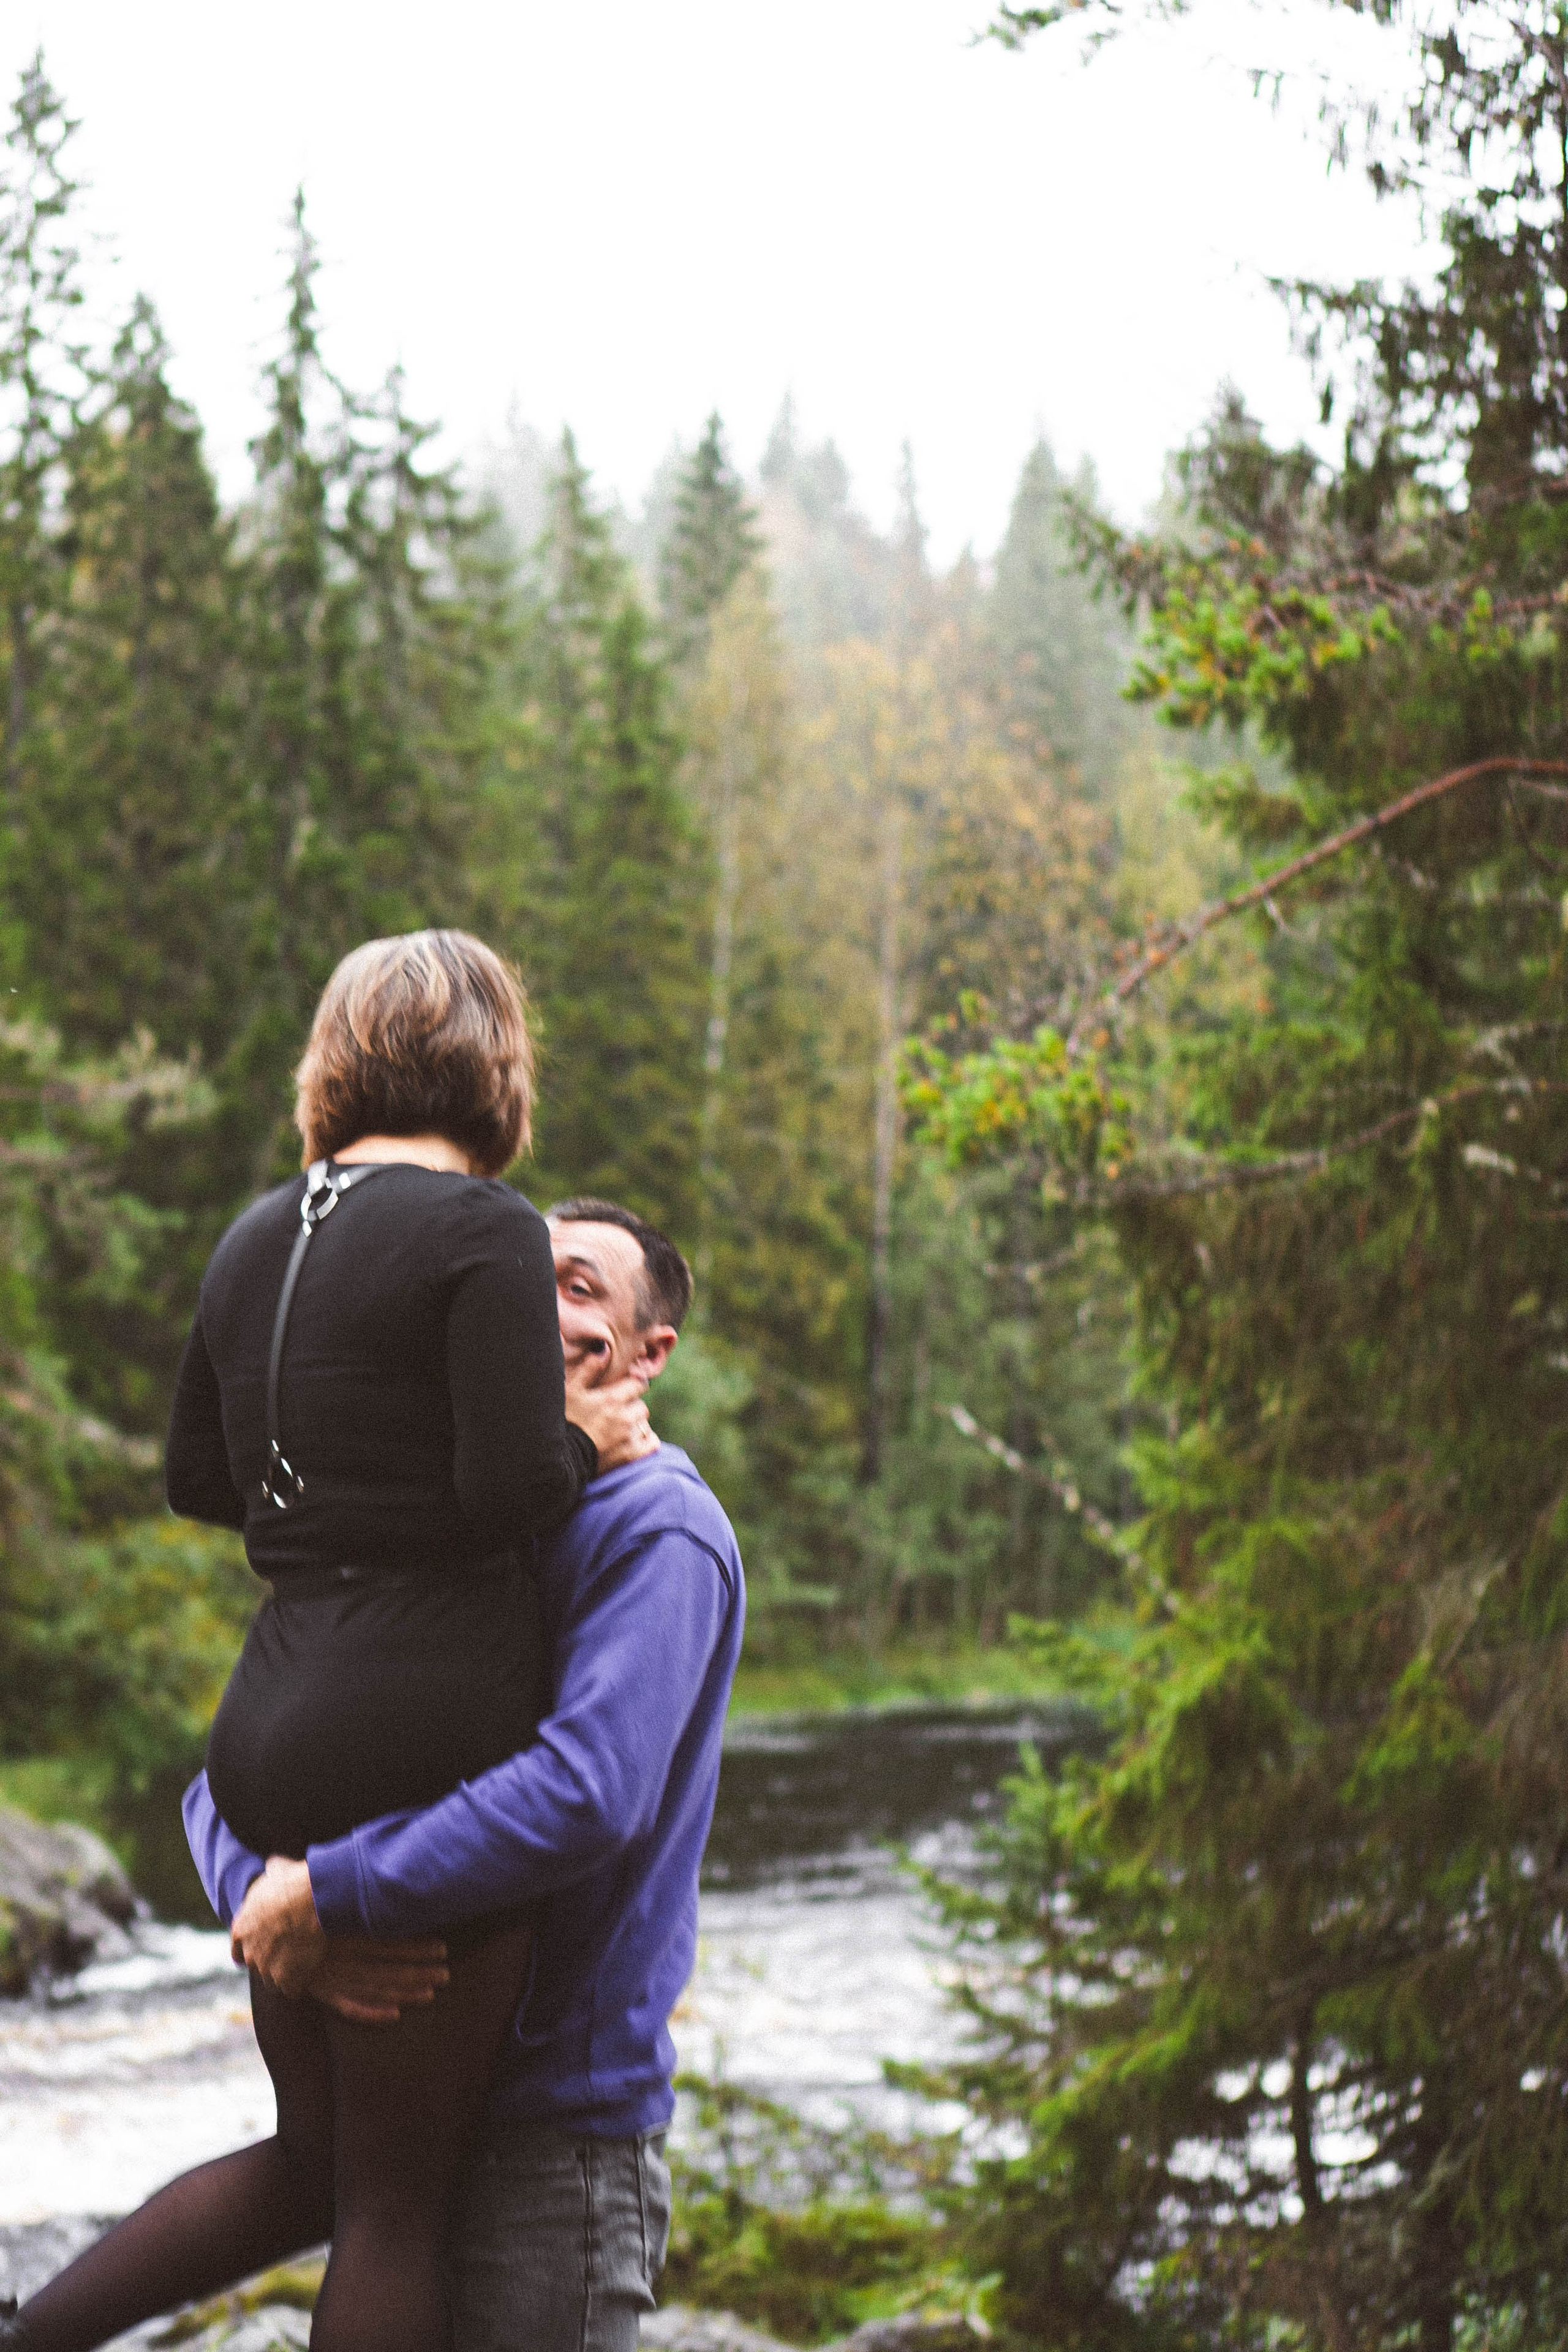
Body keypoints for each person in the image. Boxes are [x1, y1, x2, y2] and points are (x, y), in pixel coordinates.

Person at [0, 933, 652, 2352]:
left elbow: (197, 1479)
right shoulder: (483, 1229)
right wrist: (577, 1433)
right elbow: (508, 1490)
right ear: (494, 1065)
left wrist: (338, 1496)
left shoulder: (252, 1233)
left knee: (319, 2162)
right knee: (395, 2211)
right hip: (420, 1733)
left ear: (336, 1060)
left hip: (271, 1725)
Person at [187, 1195, 745, 2352]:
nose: (536, 1307)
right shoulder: (445, 1514)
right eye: (519, 1278)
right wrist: (268, 1895)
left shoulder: (660, 1531)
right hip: (407, 2115)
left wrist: (333, 1889)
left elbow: (587, 1788)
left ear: (651, 1354)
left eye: (580, 1287)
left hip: (553, 2141)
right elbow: (248, 1763)